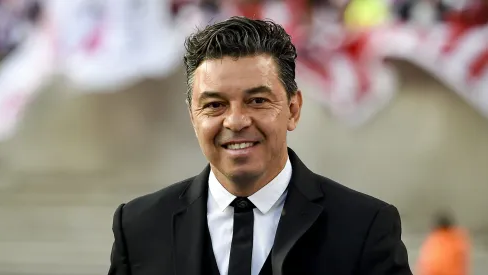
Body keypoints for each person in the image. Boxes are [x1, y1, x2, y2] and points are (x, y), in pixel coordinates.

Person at [107, 16, 412, 275]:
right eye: (215, 105)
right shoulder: (138, 227)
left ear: (293, 110)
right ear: (192, 117)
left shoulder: (365, 227)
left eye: (257, 101)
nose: (236, 121)